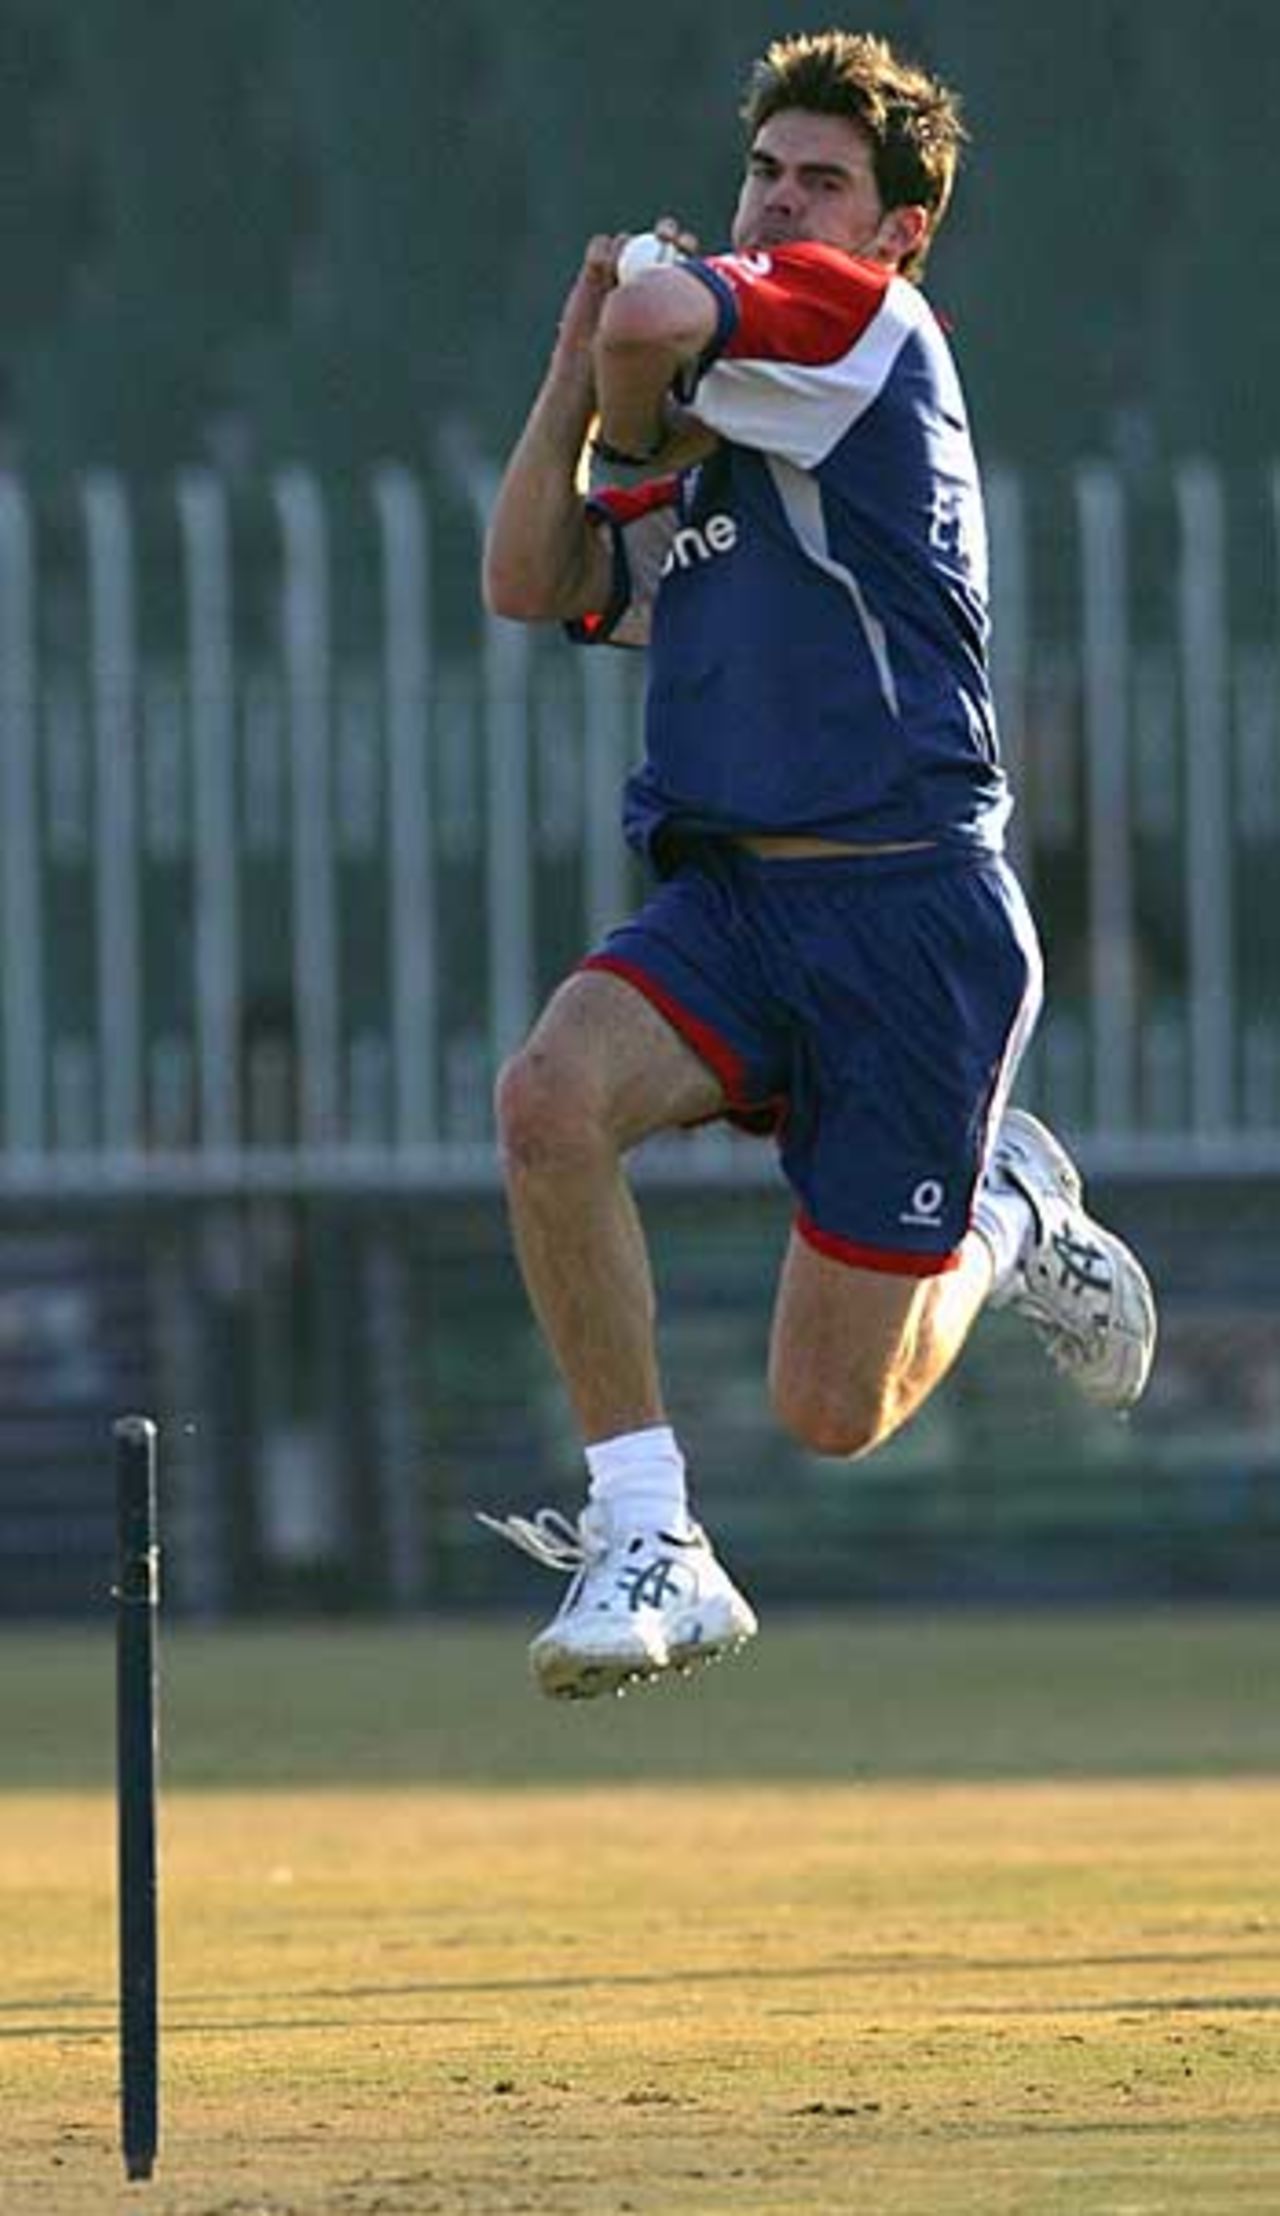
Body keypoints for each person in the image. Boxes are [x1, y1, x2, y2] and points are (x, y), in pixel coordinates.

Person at [479, 28, 1157, 1700]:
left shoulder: (869, 327)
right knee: (549, 1099)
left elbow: (658, 319)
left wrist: (631, 362)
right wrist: (581, 375)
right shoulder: (727, 449)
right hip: (735, 907)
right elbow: (524, 572)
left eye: (823, 184)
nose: (781, 203)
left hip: (909, 908)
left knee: (830, 1412)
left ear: (895, 234)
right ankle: (651, 1532)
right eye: (764, 175)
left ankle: (1008, 1207)